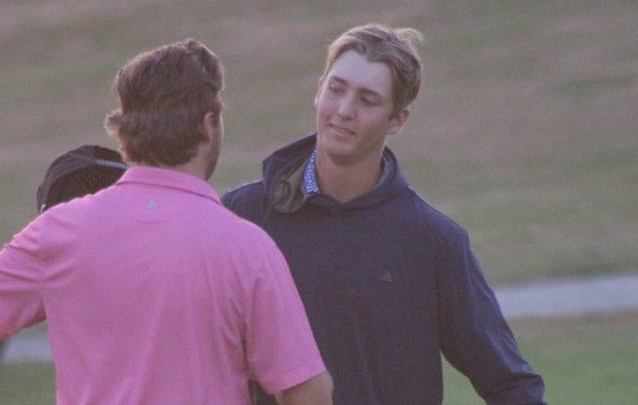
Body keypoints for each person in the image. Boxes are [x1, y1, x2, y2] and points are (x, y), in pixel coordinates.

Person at [0, 39, 333, 405]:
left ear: (126, 130)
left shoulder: (59, 233)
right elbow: (308, 390)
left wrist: (34, 251)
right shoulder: (249, 248)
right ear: (206, 126)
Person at [222, 24, 546, 404]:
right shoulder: (243, 216)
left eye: (368, 100)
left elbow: (510, 385)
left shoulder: (433, 241)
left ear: (398, 120)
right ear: (318, 89)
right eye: (336, 89)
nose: (344, 111)